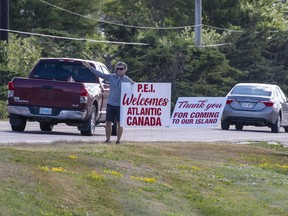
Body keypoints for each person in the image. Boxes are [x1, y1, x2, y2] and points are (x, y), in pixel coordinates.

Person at [82, 61, 134, 144]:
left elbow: (134, 89)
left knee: (120, 123)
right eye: (117, 68)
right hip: (110, 104)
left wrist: (133, 84)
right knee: (108, 123)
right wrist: (89, 67)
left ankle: (118, 140)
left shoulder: (127, 80)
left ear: (125, 70)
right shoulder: (111, 77)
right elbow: (99, 74)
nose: (119, 70)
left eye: (121, 69)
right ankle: (108, 139)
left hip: (120, 105)